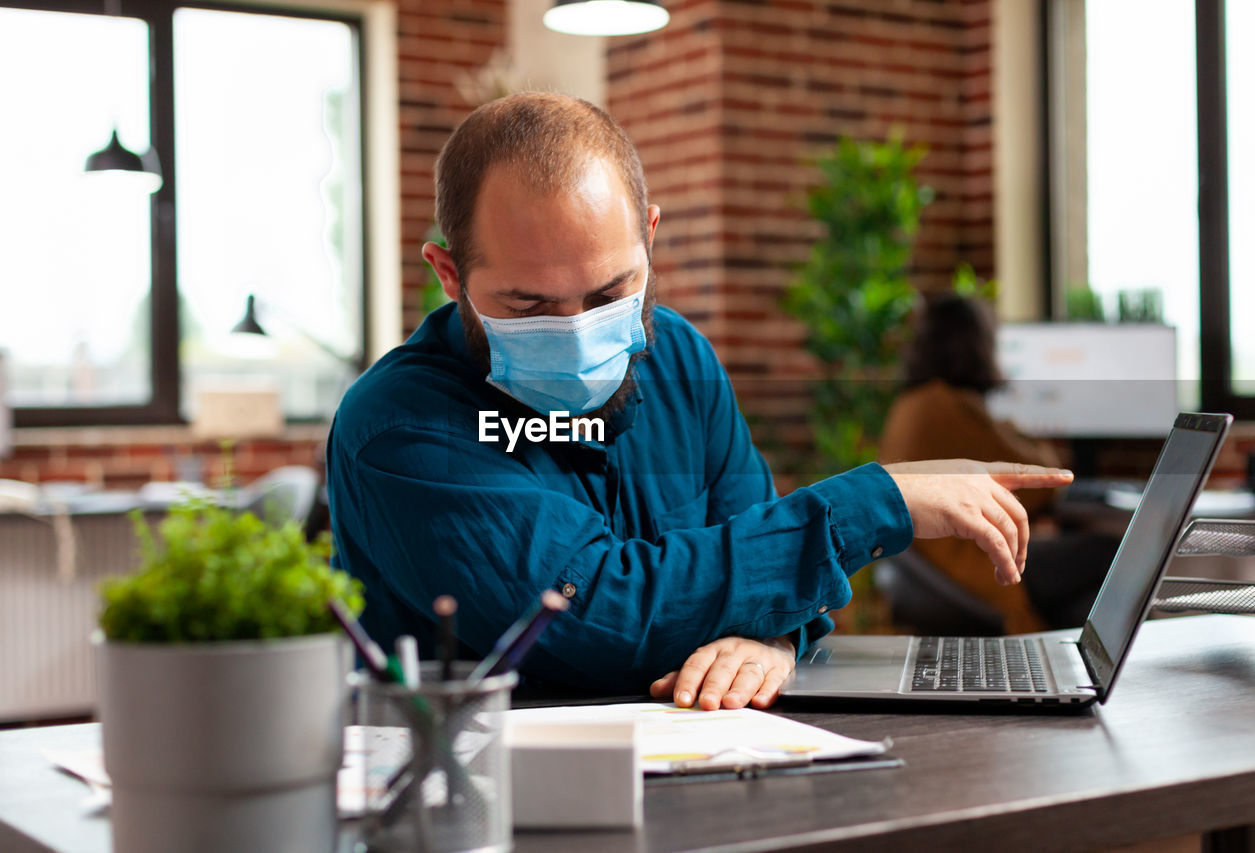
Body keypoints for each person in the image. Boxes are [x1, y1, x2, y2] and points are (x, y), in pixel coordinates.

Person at [326, 92, 1072, 711]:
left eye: (612, 291)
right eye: (529, 305)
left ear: (649, 237)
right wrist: (876, 502)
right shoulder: (397, 428)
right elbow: (600, 610)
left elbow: (762, 556)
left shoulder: (677, 354)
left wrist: (769, 641)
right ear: (449, 275)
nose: (581, 332)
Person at [879, 295, 1114, 632]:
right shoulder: (946, 406)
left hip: (934, 576)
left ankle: (1069, 657)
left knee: (1081, 592)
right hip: (975, 569)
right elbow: (1042, 478)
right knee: (1112, 551)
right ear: (975, 345)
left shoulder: (914, 404)